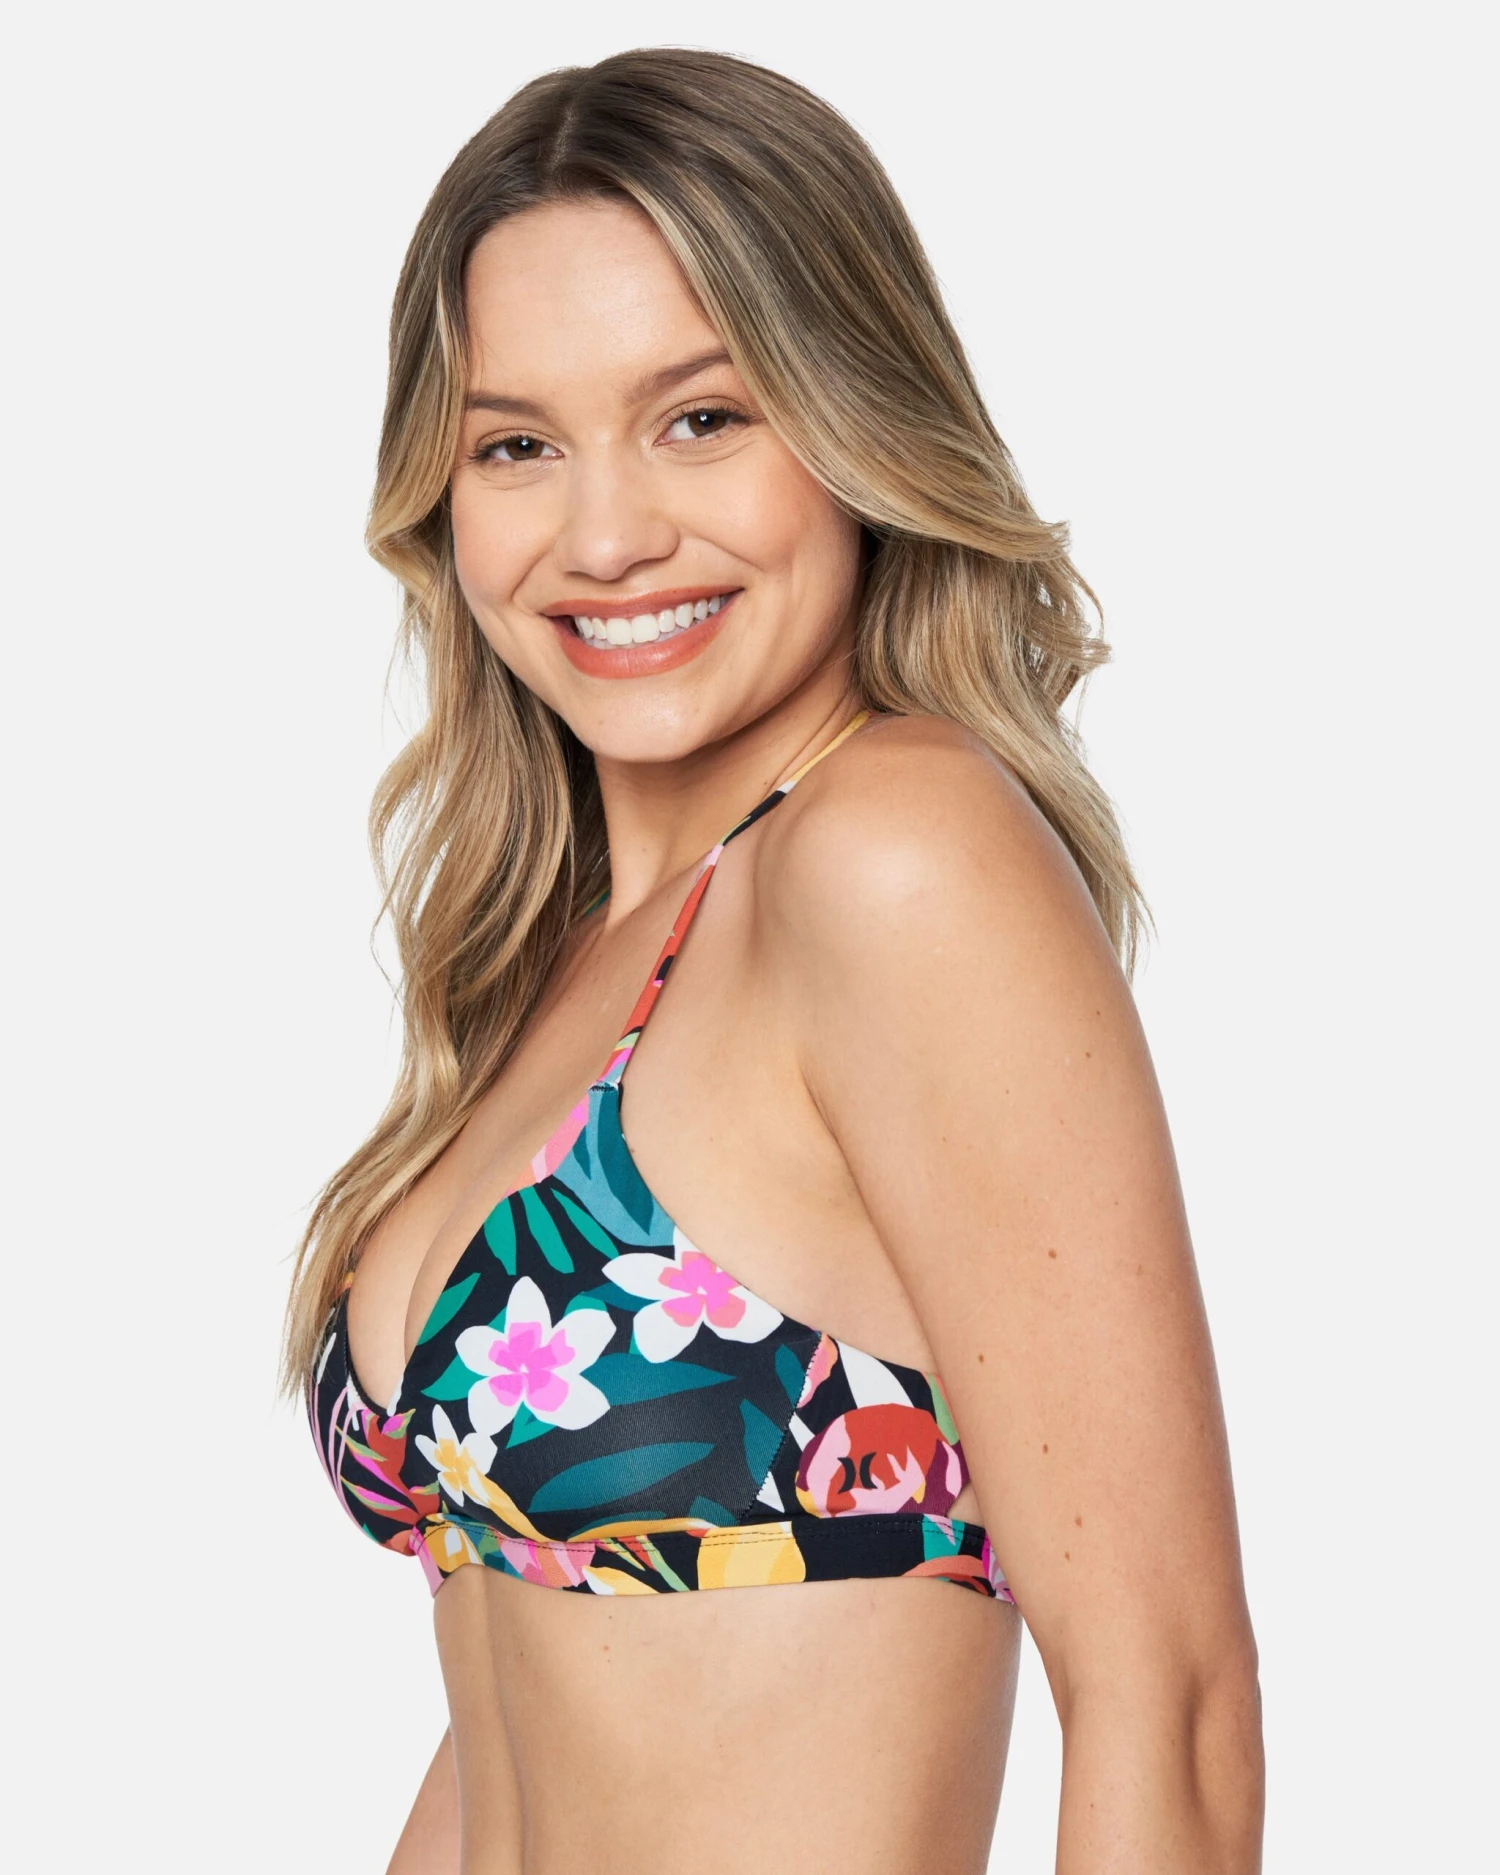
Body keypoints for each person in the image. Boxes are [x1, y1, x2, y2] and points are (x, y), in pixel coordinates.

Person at [285, 47, 1263, 1875]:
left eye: (702, 418)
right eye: (517, 445)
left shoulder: (895, 855)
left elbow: (1169, 1698)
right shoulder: (580, 949)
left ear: (853, 419)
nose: (605, 535)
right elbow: (532, 1695)